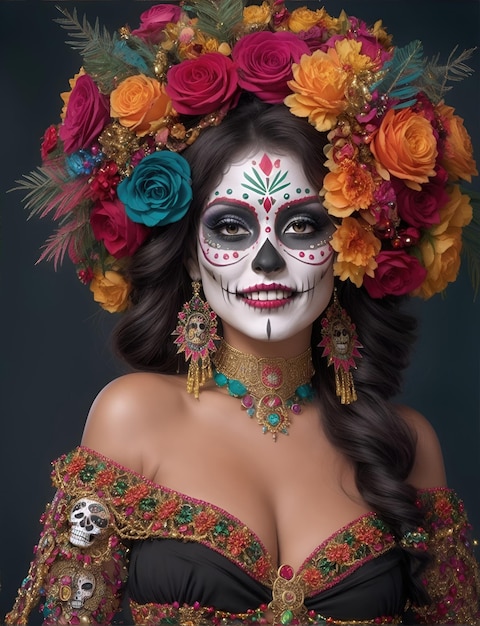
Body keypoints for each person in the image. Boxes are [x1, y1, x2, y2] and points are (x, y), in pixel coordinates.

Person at [5, 1, 480, 624]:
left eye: (301, 225)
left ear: (348, 248)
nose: (265, 262)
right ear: (194, 261)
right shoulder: (132, 418)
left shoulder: (406, 444)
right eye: (230, 228)